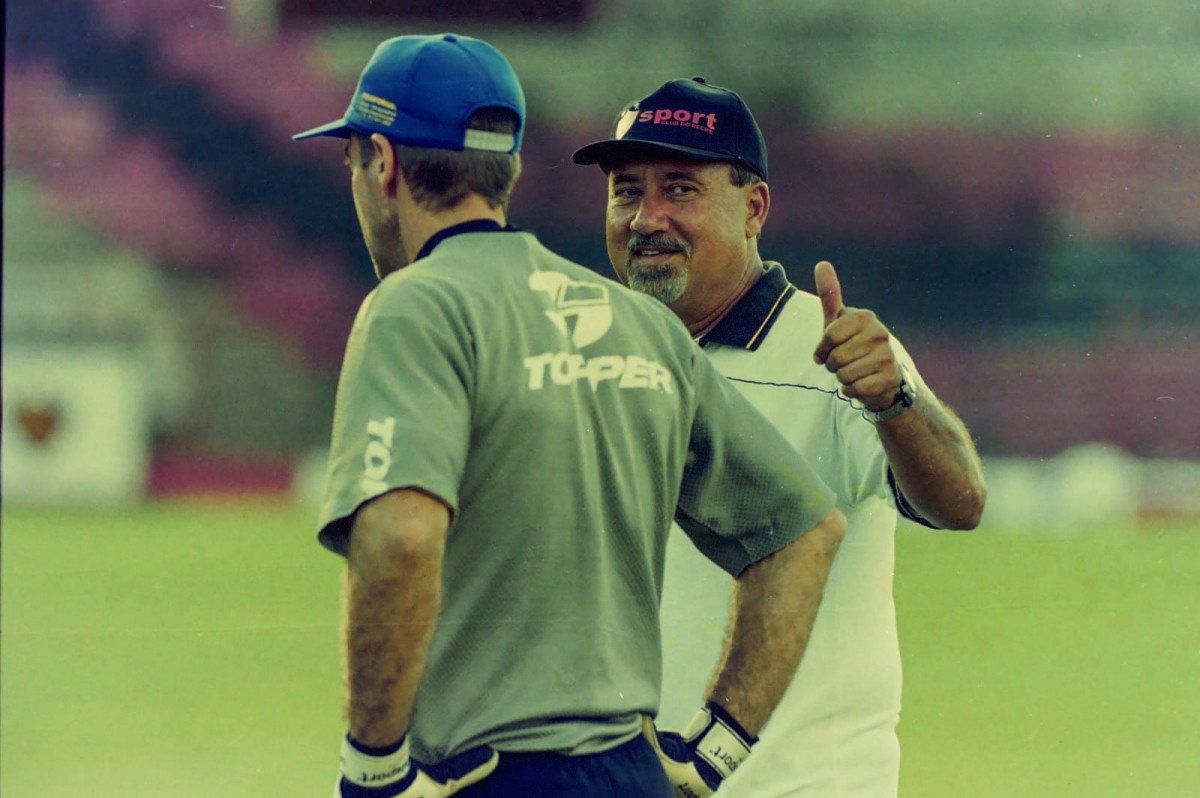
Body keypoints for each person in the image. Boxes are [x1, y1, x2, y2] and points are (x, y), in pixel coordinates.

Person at [294, 37, 848, 798]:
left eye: (353, 161)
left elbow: (401, 535)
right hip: (629, 769)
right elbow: (806, 531)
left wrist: (373, 770)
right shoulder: (635, 320)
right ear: (508, 168)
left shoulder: (415, 307)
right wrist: (716, 751)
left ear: (383, 163)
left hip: (487, 776)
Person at [572, 77, 988, 797]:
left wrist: (895, 399)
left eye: (680, 190)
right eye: (626, 191)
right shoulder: (592, 352)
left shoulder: (827, 348)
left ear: (754, 207)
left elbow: (961, 502)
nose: (647, 218)